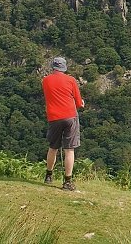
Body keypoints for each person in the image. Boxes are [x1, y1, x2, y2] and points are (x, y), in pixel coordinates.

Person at [42, 56, 85, 191]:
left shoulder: (46, 80)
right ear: (64, 67)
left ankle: (48, 175)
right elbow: (78, 102)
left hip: (54, 117)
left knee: (53, 147)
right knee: (69, 150)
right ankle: (67, 181)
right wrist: (81, 103)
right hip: (70, 116)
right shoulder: (71, 80)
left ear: (53, 67)